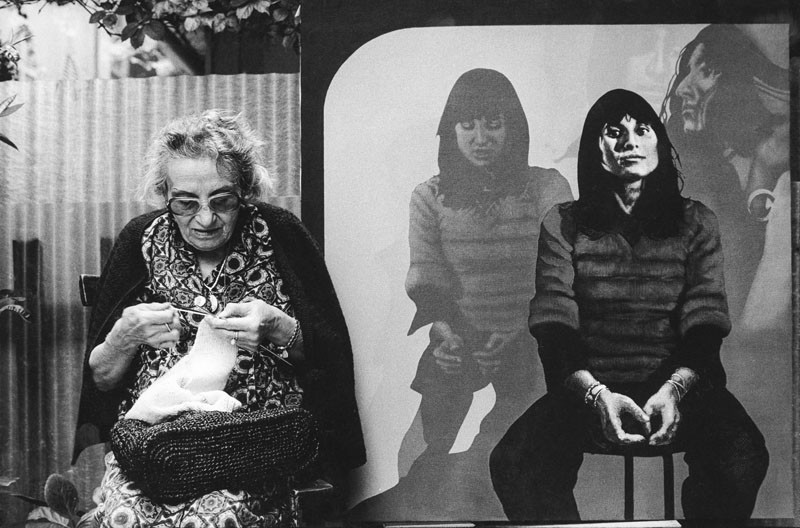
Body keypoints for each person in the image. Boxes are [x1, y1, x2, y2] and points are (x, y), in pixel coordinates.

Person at [72, 110, 365, 527]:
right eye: (185, 203)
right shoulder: (140, 240)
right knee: (127, 517)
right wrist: (125, 335)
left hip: (256, 443)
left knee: (218, 518)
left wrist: (277, 326)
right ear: (164, 194)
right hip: (158, 447)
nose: (206, 218)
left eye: (222, 201)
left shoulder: (280, 233)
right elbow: (101, 381)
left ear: (245, 190)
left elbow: (331, 357)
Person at [489, 89, 768, 522]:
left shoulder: (697, 222)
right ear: (594, 147)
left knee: (742, 455)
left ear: (659, 141)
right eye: (614, 132)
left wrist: (673, 390)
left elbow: (706, 321)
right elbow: (554, 324)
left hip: (681, 392)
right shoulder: (564, 223)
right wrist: (596, 395)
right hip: (590, 393)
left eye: (642, 130)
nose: (629, 142)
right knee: (516, 462)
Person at [403, 68, 571, 475]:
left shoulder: (547, 188)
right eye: (468, 125)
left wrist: (518, 332)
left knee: (515, 450)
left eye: (494, 124)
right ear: (451, 129)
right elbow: (428, 277)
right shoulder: (428, 196)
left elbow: (563, 273)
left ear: (513, 127)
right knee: (423, 453)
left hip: (535, 337)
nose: (481, 138)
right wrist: (445, 334)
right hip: (461, 336)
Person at [660, 24, 789, 327]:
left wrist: (763, 169)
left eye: (705, 72)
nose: (681, 88)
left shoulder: (753, 162)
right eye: (687, 71)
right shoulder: (684, 164)